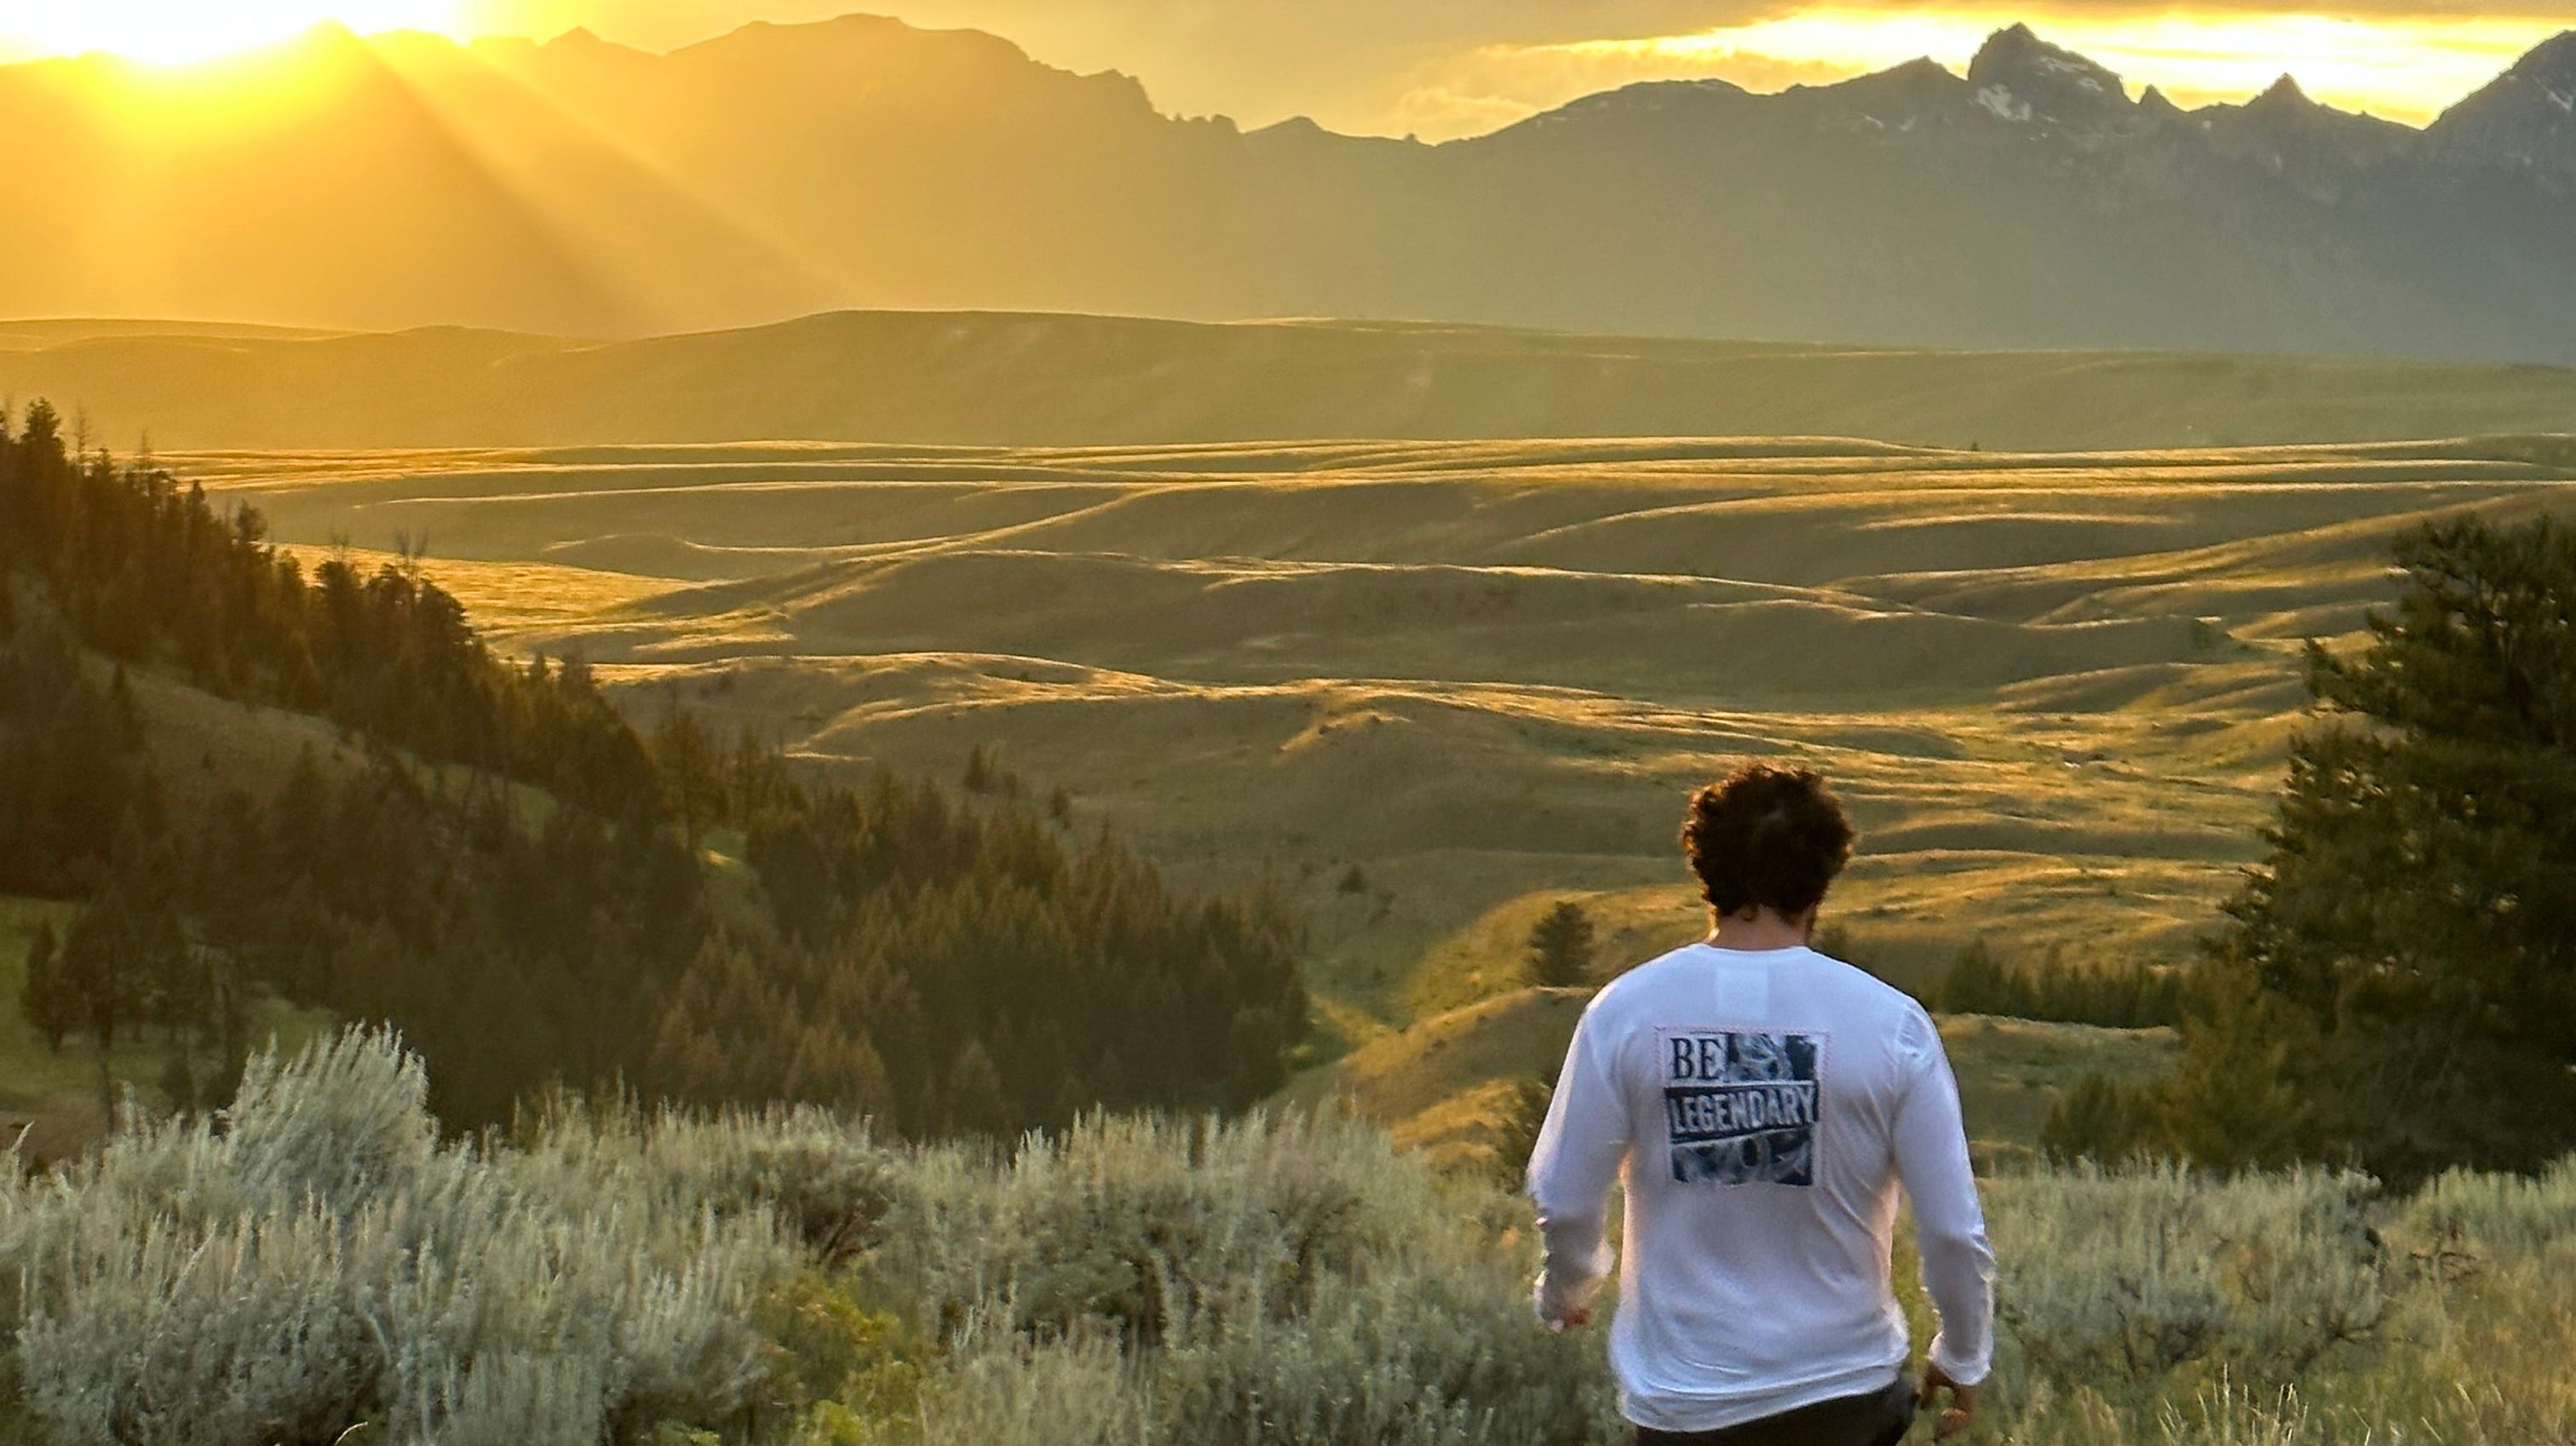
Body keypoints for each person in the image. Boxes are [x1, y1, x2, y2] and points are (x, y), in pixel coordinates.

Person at [1527, 763, 1993, 1444]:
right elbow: (1954, 1231)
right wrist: (1960, 1353)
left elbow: (1565, 1198)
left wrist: (1565, 1292)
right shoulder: (1888, 1024)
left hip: (1683, 1402)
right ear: (1826, 873)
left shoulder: (1626, 1014)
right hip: (1846, 1397)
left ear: (1704, 866)